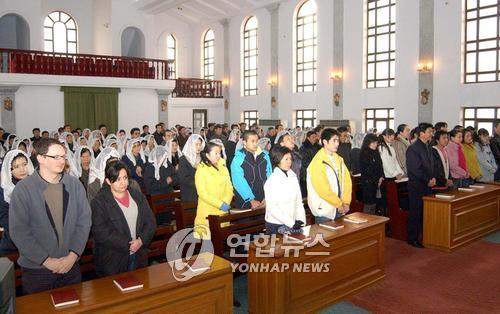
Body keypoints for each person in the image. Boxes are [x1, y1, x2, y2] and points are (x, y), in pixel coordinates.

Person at [9, 138, 91, 294]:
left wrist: (73, 255)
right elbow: (19, 231)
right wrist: (46, 260)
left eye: (63, 156)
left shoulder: (74, 184)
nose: (62, 161)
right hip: (38, 270)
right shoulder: (24, 189)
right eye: (56, 157)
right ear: (40, 158)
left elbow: (84, 221)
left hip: (70, 266)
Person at [91, 161, 155, 277]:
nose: (122, 183)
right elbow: (101, 231)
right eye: (117, 179)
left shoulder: (137, 196)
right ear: (108, 181)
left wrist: (141, 241)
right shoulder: (99, 202)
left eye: (125, 178)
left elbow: (150, 222)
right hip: (113, 259)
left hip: (139, 254)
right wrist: (128, 245)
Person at [307, 128, 352, 223]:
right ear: (325, 142)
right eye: (334, 141)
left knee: (341, 236)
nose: (337, 143)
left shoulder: (339, 159)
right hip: (325, 209)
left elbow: (346, 181)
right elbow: (322, 189)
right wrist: (339, 204)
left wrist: (346, 202)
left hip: (340, 207)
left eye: (338, 140)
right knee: (326, 237)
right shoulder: (318, 162)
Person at [193, 142, 233, 239]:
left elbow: (229, 187)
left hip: (223, 210)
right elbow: (202, 193)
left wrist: (226, 202)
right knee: (208, 244)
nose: (219, 156)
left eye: (220, 153)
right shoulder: (202, 170)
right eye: (216, 153)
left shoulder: (223, 167)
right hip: (208, 210)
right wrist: (220, 204)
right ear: (207, 155)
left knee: (221, 241)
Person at [264, 146, 306, 235]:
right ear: (277, 160)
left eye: (290, 159)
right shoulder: (272, 181)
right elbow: (273, 208)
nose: (289, 162)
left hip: (293, 221)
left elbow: (299, 202)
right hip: (276, 224)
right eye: (286, 159)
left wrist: (301, 220)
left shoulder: (293, 177)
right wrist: (291, 223)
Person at [405, 123, 435, 248]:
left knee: (425, 212)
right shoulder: (413, 148)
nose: (431, 134)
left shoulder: (427, 146)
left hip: (427, 184)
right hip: (417, 185)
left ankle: (424, 236)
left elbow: (430, 165)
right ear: (421, 133)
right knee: (416, 212)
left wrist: (432, 178)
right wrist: (427, 179)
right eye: (429, 132)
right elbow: (415, 169)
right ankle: (413, 238)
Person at [0, 150, 34, 253]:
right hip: (13, 243)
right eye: (16, 167)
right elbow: (4, 217)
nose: (22, 169)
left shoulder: (37, 185)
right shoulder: (4, 190)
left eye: (24, 164)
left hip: (38, 239)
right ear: (10, 170)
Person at [231, 130, 272, 209]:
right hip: (245, 201)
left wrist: (267, 196)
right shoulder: (238, 159)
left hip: (263, 199)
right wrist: (251, 200)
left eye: (257, 141)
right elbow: (238, 181)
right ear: (244, 142)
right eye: (252, 141)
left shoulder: (264, 156)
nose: (255, 144)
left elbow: (269, 176)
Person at [143, 146, 178, 224]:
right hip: (156, 200)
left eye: (165, 157)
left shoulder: (167, 164)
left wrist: (171, 180)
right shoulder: (149, 168)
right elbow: (150, 185)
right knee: (158, 223)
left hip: (168, 198)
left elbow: (175, 177)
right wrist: (166, 182)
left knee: (167, 222)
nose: (163, 159)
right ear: (156, 157)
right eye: (162, 157)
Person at [359, 134, 384, 214]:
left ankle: (373, 222)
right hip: (368, 182)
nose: (375, 145)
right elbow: (366, 170)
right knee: (369, 204)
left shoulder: (376, 152)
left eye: (376, 143)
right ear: (367, 143)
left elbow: (380, 165)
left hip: (376, 182)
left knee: (375, 204)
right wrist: (375, 179)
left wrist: (381, 176)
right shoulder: (363, 153)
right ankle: (367, 223)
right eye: (373, 143)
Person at [178, 134, 205, 202]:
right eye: (196, 144)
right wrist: (198, 184)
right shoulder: (183, 159)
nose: (199, 147)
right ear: (191, 145)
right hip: (189, 193)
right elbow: (183, 178)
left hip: (203, 192)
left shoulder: (203, 158)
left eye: (200, 144)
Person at [299, 130, 320, 196]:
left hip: (317, 172)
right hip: (306, 173)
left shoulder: (318, 147)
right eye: (313, 137)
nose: (315, 139)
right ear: (308, 138)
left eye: (315, 137)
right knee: (306, 193)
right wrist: (316, 165)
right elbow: (304, 162)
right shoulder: (303, 148)